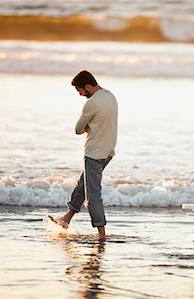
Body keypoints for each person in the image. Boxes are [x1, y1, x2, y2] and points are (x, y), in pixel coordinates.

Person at [49, 70, 118, 240]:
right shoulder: (111, 96)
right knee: (83, 186)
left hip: (94, 153)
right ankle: (66, 219)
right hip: (108, 151)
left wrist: (88, 127)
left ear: (87, 86)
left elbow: (78, 129)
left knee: (93, 194)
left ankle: (101, 234)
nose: (80, 94)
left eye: (80, 90)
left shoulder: (92, 103)